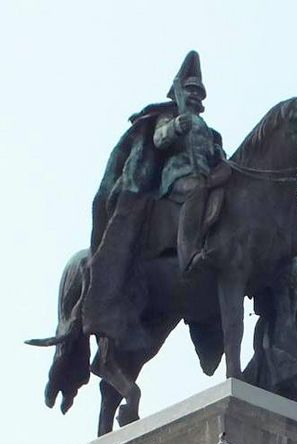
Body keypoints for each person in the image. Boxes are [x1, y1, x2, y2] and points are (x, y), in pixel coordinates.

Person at [81, 50, 228, 347]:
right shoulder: (169, 116)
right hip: (176, 181)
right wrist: (175, 128)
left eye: (200, 92)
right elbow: (159, 140)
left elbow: (217, 158)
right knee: (197, 192)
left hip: (206, 178)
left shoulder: (210, 131)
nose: (197, 97)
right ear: (180, 94)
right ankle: (189, 254)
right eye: (191, 91)